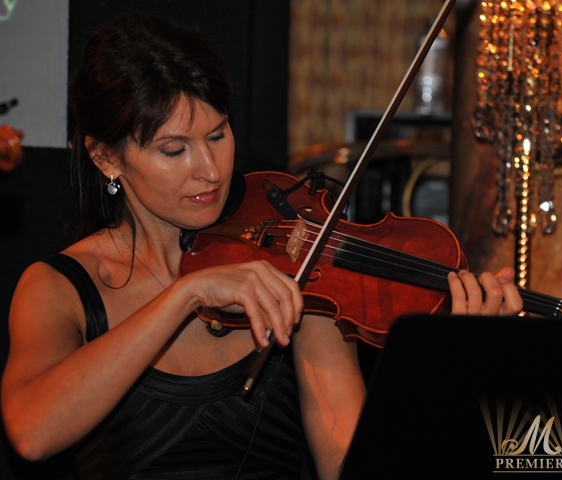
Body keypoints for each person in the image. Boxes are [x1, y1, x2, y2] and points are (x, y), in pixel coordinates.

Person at [0, 12, 523, 480]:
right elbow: (32, 432)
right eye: (174, 149)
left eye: (218, 135)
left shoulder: (299, 270)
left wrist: (452, 372)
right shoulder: (58, 289)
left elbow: (352, 467)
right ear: (106, 158)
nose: (210, 170)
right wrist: (184, 295)